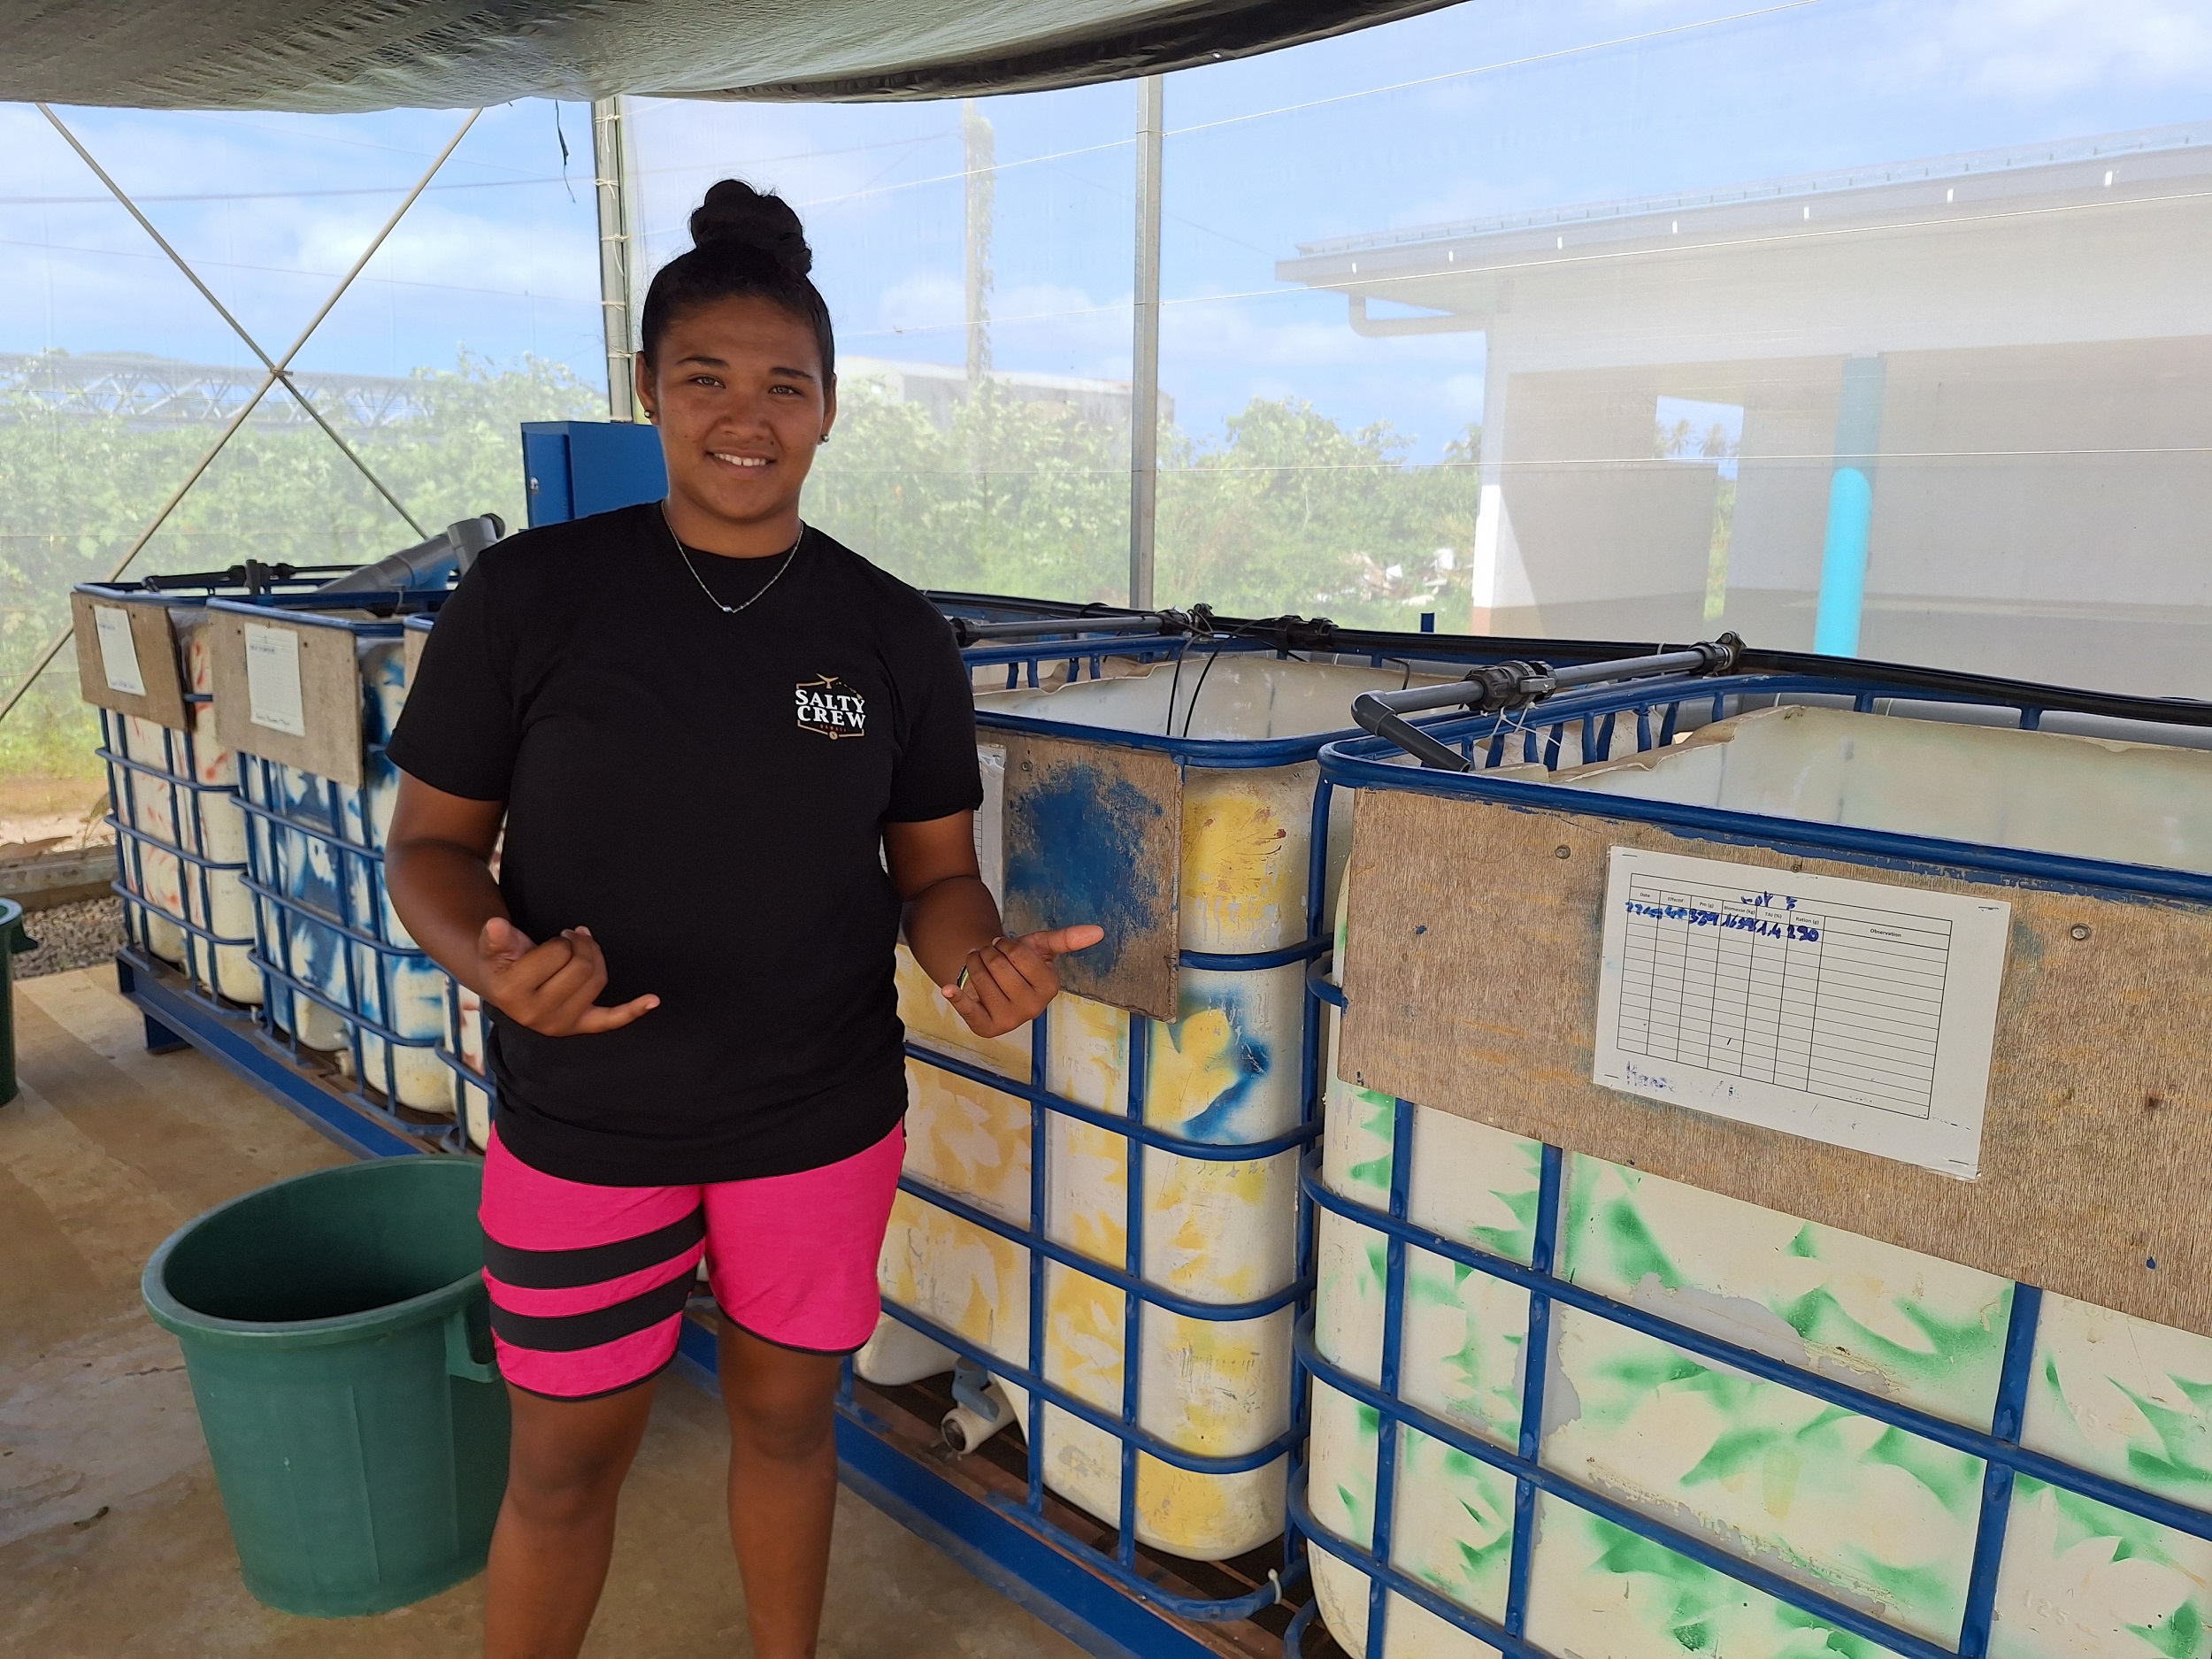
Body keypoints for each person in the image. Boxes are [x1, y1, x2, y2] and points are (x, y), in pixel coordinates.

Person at [384, 178, 1101, 1659]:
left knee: (789, 1432)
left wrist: (981, 962)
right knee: (566, 1464)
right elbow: (435, 848)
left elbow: (934, 877)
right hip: (586, 1123)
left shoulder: (892, 631)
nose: (745, 416)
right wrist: (493, 962)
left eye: (787, 384)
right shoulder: (529, 599)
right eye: (705, 378)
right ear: (648, 390)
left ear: (831, 409)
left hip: (817, 1119)